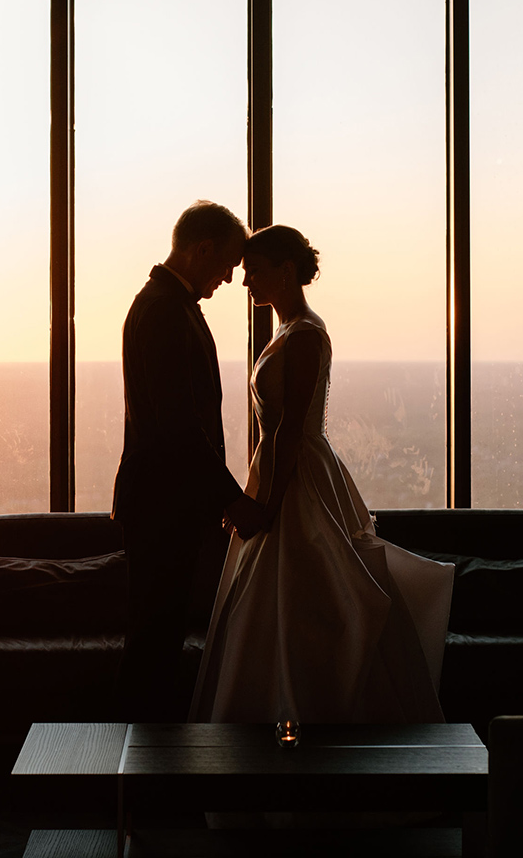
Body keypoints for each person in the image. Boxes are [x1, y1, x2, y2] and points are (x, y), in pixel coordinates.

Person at [190, 225, 453, 724]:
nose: (246, 283)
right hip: (277, 469)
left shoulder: (306, 335)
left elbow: (290, 428)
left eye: (255, 272)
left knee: (305, 599)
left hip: (298, 475)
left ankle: (305, 716)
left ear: (286, 272)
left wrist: (264, 507)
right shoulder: (288, 330)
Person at [114, 200, 267, 722]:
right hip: (162, 509)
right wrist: (232, 499)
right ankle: (141, 774)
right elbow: (180, 428)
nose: (229, 278)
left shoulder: (163, 303)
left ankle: (144, 772)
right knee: (154, 645)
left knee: (156, 642)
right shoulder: (163, 310)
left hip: (164, 504)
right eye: (226, 264)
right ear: (202, 250)